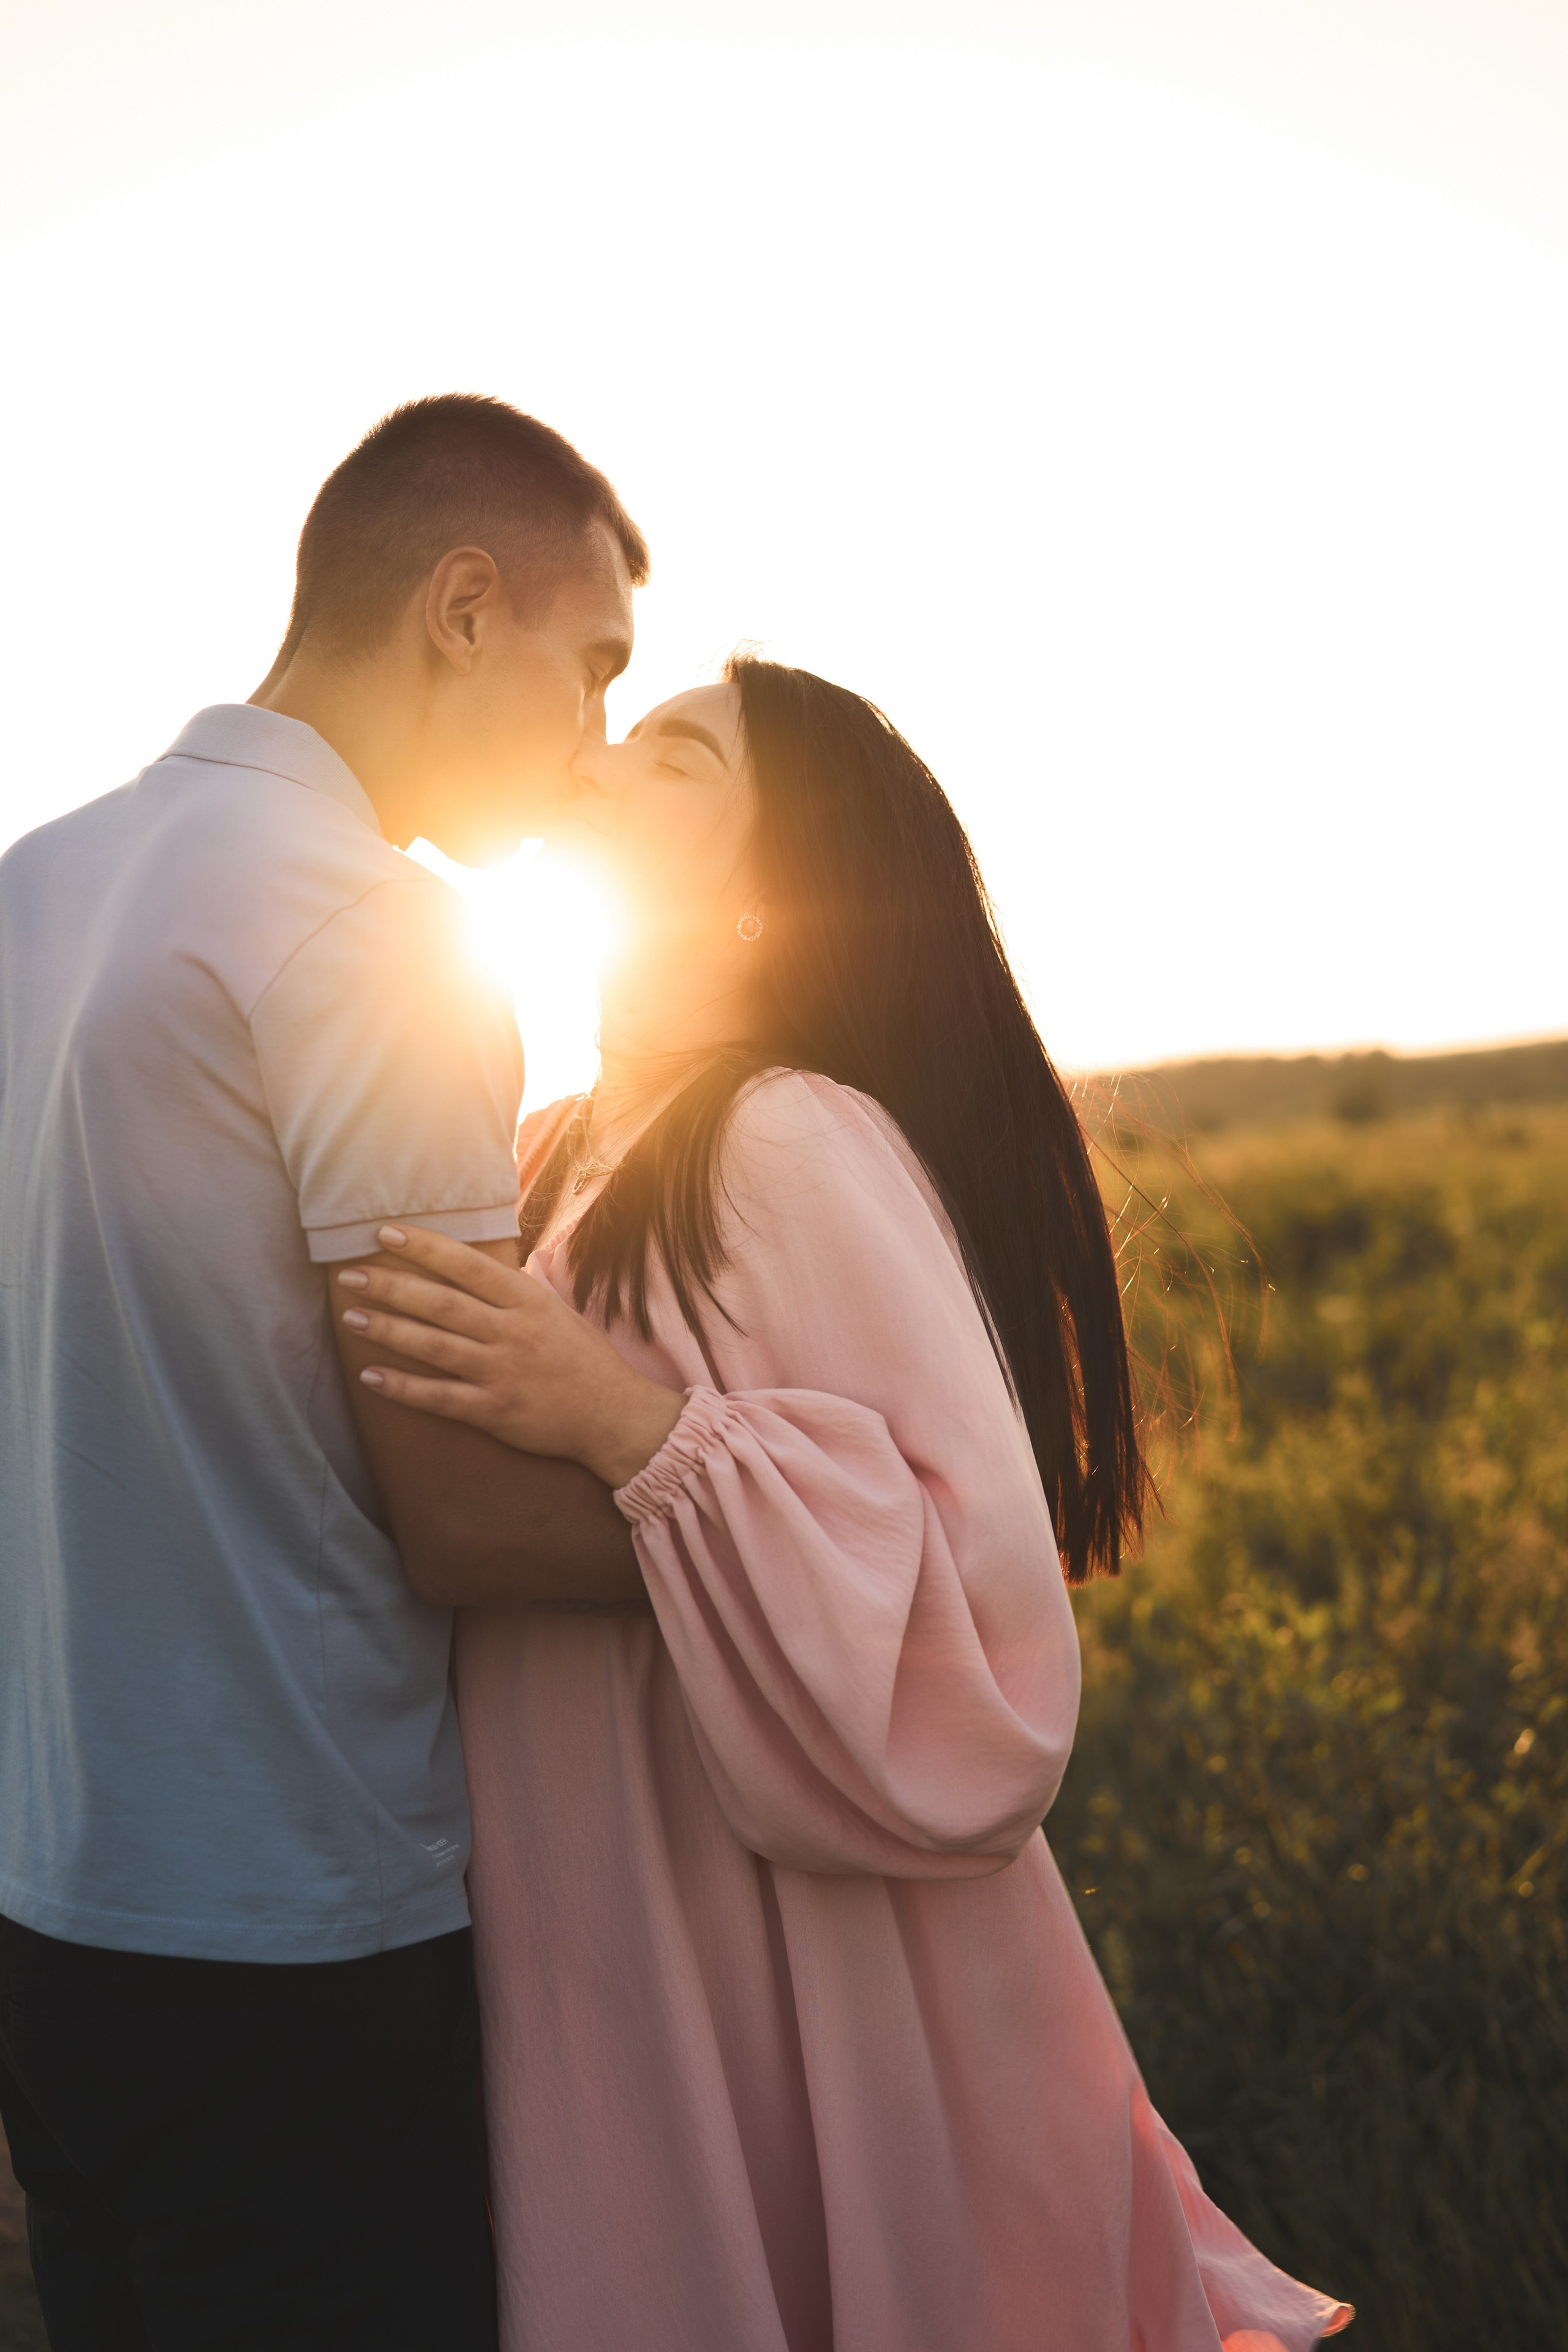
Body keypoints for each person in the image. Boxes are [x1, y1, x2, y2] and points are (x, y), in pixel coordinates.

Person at [334, 656, 1354, 2352]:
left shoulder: (785, 1139)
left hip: (772, 1916)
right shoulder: (565, 1139)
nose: (599, 758)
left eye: (673, 760)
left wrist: (622, 1421)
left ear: (756, 899)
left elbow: (966, 1577)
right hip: (601, 1889)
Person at [0, 393, 649, 2350]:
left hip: (54, 1905)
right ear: (466, 606)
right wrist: (794, 1526)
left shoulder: (36, 882)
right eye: (592, 666)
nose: (600, 744)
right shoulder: (376, 928)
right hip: (293, 1943)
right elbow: (454, 1507)